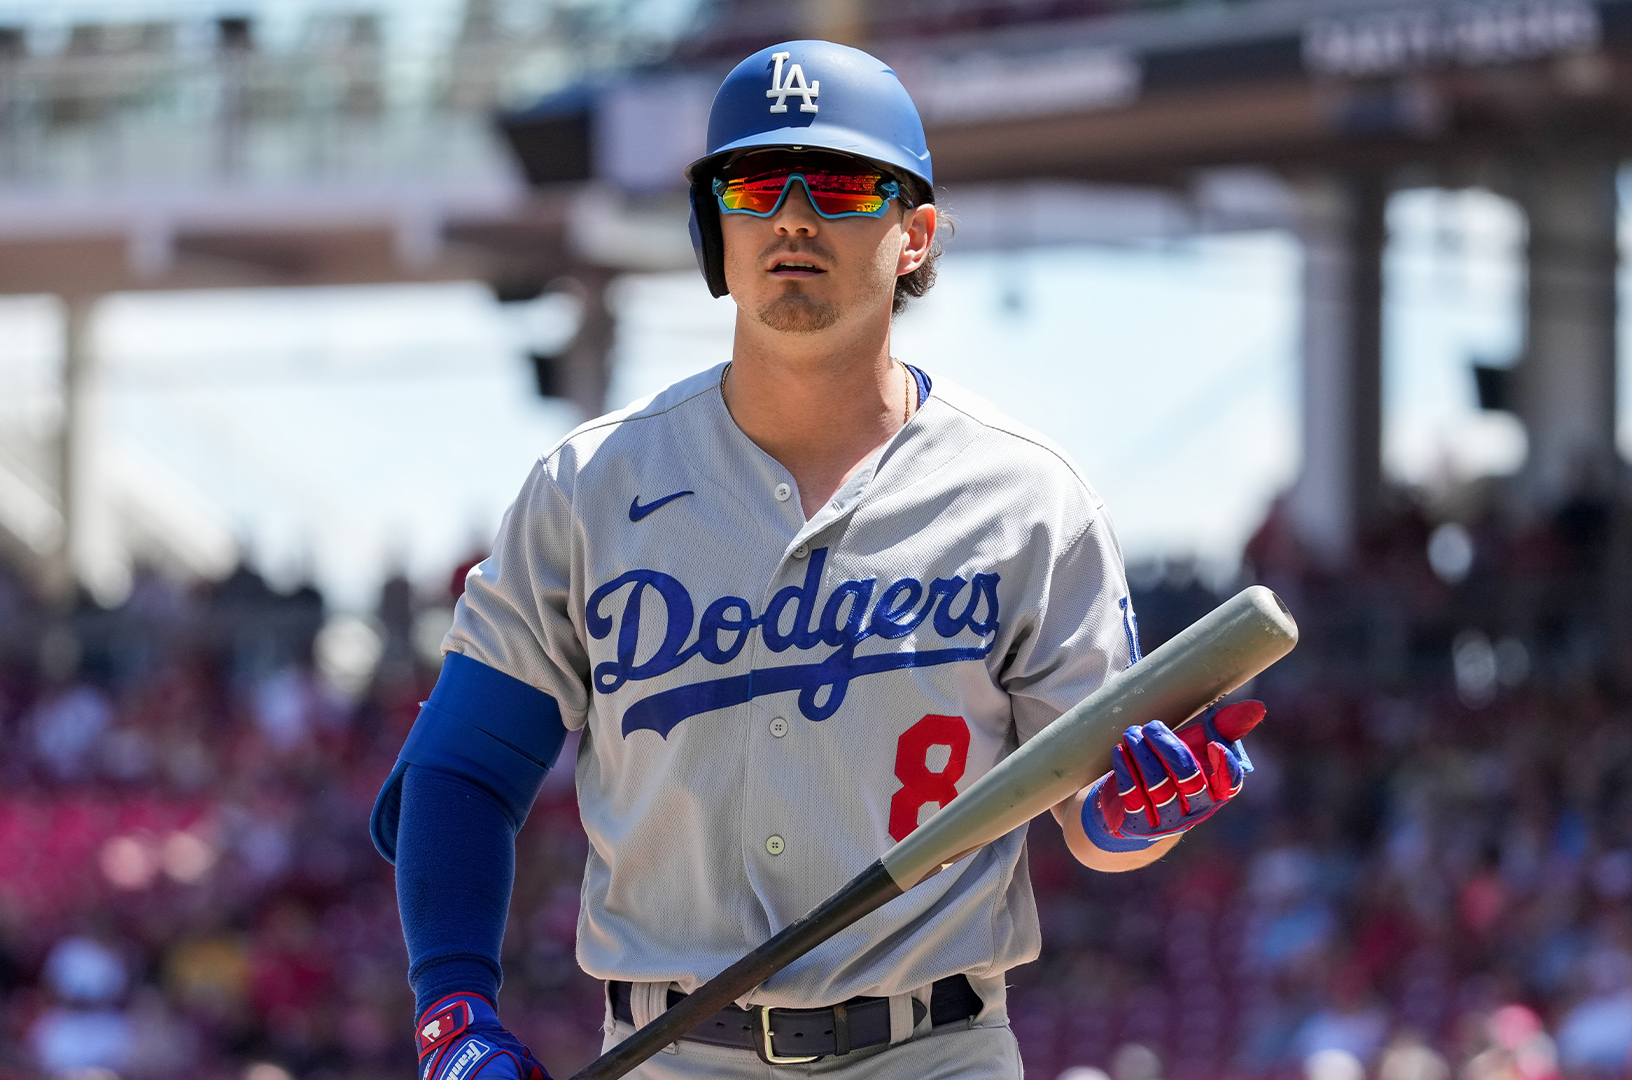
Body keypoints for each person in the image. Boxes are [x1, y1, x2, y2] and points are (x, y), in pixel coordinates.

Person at [371, 39, 1258, 1080]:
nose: (793, 216)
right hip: (672, 1055)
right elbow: (462, 772)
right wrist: (453, 1010)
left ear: (915, 234)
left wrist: (1131, 815)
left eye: (838, 184)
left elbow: (1091, 820)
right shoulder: (589, 486)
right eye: (754, 185)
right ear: (718, 228)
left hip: (937, 1049)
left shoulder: (1028, 499)